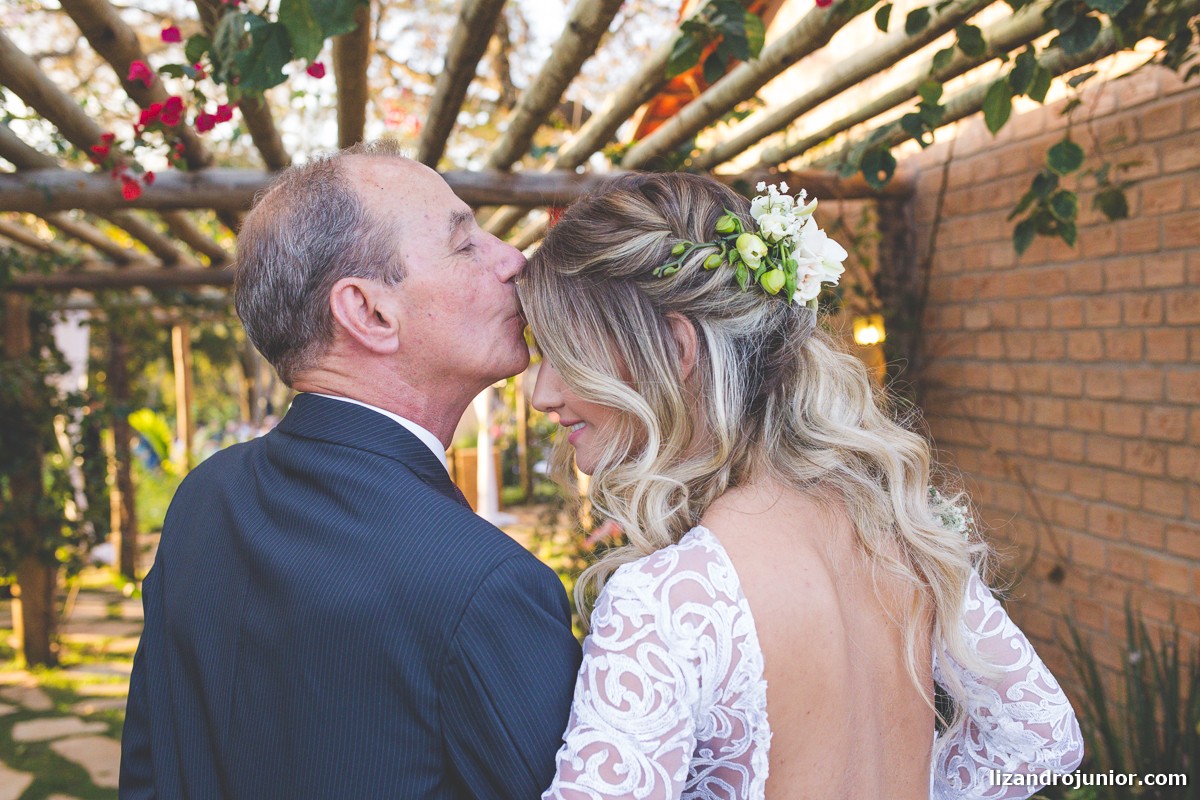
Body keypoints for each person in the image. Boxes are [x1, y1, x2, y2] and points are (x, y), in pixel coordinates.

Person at [520, 172, 1084, 799]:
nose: (544, 394)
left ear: (678, 349)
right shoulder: (898, 535)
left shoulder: (668, 603)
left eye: (566, 354)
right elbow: (1041, 733)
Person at [119, 143, 582, 799]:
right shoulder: (487, 584)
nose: (514, 259)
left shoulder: (204, 497)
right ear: (368, 313)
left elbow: (151, 764)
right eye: (465, 244)